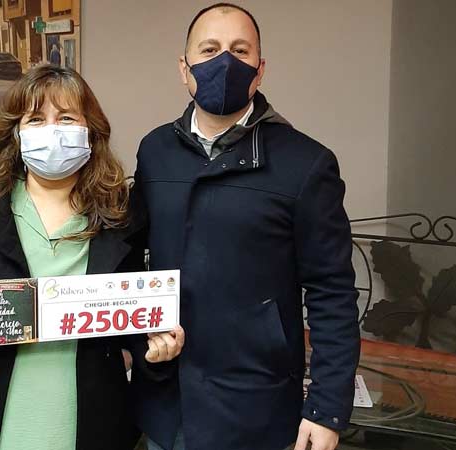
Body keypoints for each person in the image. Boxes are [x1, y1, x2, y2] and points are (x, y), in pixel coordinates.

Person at [0, 65, 185, 450]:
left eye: (66, 118)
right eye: (36, 119)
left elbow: (129, 311)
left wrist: (154, 348)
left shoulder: (121, 215)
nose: (52, 131)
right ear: (16, 132)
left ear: (90, 131)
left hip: (86, 417)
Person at [130, 3, 360, 450]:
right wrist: (136, 337)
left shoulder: (306, 164)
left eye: (239, 50)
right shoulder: (154, 151)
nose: (224, 61)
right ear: (184, 68)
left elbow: (332, 292)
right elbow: (130, 256)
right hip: (166, 402)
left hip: (256, 406)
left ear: (259, 70)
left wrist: (327, 408)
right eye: (209, 49)